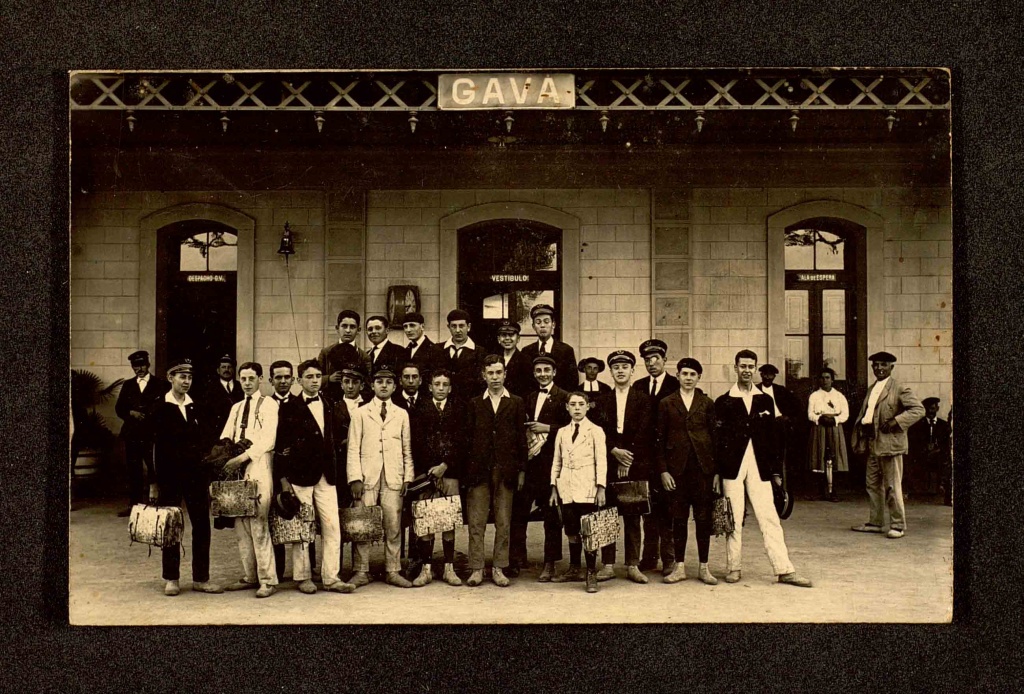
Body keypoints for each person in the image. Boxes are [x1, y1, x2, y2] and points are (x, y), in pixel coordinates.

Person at [715, 349, 813, 588]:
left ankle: (784, 569)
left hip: (760, 467)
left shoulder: (766, 400)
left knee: (769, 516)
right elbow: (717, 440)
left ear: (755, 369)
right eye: (743, 366)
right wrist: (717, 472)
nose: (747, 371)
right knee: (733, 518)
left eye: (751, 367)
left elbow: (772, 439)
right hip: (732, 468)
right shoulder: (724, 400)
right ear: (735, 368)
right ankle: (733, 566)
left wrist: (776, 472)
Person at [275, 360, 354, 594]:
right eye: (309, 376)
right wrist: (284, 480)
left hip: (327, 477)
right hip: (300, 477)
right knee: (303, 528)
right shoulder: (289, 408)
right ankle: (303, 577)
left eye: (318, 376)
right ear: (299, 380)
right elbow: (281, 446)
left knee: (332, 526)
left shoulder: (329, 404)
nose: (314, 380)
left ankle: (331, 577)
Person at [148, 358, 222, 596]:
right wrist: (154, 481)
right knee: (171, 527)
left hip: (197, 477)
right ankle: (171, 578)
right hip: (169, 478)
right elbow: (151, 448)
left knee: (202, 526)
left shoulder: (197, 407)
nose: (186, 381)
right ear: (171, 378)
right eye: (182, 377)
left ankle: (201, 578)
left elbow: (207, 444)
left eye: (189, 377)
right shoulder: (159, 407)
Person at [347, 365, 415, 588]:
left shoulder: (401, 414)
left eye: (388, 382)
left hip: (393, 476)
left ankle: (393, 570)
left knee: (393, 524)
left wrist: (408, 477)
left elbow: (407, 448)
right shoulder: (360, 413)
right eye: (379, 382)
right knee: (362, 524)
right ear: (372, 385)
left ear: (395, 386)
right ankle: (361, 571)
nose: (384, 385)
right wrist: (355, 478)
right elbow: (353, 448)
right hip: (367, 477)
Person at [464, 355, 528, 587]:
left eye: (498, 372)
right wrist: (469, 472)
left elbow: (522, 440)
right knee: (477, 521)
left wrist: (521, 470)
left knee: (503, 521)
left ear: (505, 374)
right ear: (483, 375)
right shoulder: (474, 403)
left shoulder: (516, 402)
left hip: (506, 471)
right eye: (490, 373)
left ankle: (499, 568)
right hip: (479, 471)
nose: (495, 377)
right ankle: (477, 568)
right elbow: (468, 439)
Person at [655, 358, 719, 585]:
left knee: (703, 519)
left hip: (702, 471)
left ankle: (704, 567)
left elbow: (715, 438)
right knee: (679, 519)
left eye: (693, 374)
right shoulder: (666, 403)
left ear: (699, 377)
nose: (689, 378)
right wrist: (664, 471)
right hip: (676, 472)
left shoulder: (707, 403)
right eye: (685, 374)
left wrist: (716, 473)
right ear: (678, 376)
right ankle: (679, 567)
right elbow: (659, 441)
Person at [591, 350, 653, 584]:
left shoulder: (643, 399)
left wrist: (627, 459)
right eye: (616, 367)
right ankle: (607, 565)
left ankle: (633, 565)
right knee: (606, 513)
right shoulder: (603, 399)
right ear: (611, 371)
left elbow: (644, 432)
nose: (620, 370)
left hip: (634, 462)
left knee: (633, 514)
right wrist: (613, 451)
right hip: (609, 461)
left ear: (632, 370)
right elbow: (598, 431)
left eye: (624, 367)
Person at [219, 362, 279, 598]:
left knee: (258, 522)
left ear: (260, 379)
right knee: (240, 524)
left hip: (258, 465)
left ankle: (267, 579)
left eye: (251, 378)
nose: (246, 383)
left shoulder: (269, 405)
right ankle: (250, 576)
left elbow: (268, 440)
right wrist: (225, 452)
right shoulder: (236, 407)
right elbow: (226, 434)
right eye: (243, 379)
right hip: (236, 468)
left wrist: (242, 457)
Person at [850, 352, 925, 539]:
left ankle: (898, 525)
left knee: (892, 486)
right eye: (875, 365)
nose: (879, 368)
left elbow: (918, 410)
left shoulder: (899, 387)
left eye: (883, 365)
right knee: (872, 485)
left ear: (892, 367)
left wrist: (895, 422)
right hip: (872, 443)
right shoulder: (872, 388)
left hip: (891, 445)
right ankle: (875, 523)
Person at [510, 355, 569, 580]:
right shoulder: (529, 397)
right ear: (534, 374)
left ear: (554, 372)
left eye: (546, 370)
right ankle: (516, 559)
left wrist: (547, 428)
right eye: (538, 371)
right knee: (519, 513)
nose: (542, 374)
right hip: (529, 465)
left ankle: (550, 563)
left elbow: (570, 428)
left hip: (552, 467)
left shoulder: (564, 396)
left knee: (552, 517)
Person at [408, 368, 467, 587]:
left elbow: (462, 441)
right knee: (426, 522)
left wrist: (445, 465)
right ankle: (426, 569)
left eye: (445, 385)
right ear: (430, 386)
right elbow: (415, 442)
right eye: (437, 384)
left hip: (450, 473)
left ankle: (449, 568)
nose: (441, 388)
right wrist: (429, 469)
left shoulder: (459, 409)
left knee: (448, 520)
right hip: (426, 474)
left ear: (450, 388)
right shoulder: (419, 409)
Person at [549, 392, 608, 593]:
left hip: (587, 485)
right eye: (572, 404)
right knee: (571, 529)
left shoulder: (596, 431)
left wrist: (601, 487)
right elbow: (557, 461)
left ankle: (591, 572)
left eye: (581, 404)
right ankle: (575, 568)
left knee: (588, 530)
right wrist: (554, 487)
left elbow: (602, 461)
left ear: (588, 407)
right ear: (567, 407)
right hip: (567, 486)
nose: (576, 408)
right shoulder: (563, 432)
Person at [632, 338, 679, 572]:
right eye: (647, 360)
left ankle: (669, 558)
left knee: (667, 509)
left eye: (655, 359)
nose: (651, 363)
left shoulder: (676, 385)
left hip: (668, 459)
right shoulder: (638, 386)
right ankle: (649, 557)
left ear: (664, 360)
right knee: (646, 508)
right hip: (644, 458)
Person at [268, 359, 316, 582]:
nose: (283, 381)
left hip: (296, 471)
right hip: (269, 468)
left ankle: (307, 570)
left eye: (287, 377)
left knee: (301, 514)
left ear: (293, 379)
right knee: (273, 517)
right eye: (278, 377)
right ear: (271, 381)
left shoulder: (301, 404)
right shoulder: (265, 404)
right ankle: (276, 572)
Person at [114, 350, 167, 516]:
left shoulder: (161, 384)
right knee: (133, 470)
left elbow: (166, 407)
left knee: (155, 468)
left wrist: (151, 415)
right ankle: (134, 504)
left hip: (153, 435)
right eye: (135, 366)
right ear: (132, 367)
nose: (139, 369)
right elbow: (119, 408)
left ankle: (160, 502)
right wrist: (131, 413)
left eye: (142, 365)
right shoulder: (128, 385)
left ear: (148, 365)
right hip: (133, 434)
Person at [807, 367, 849, 502]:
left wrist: (834, 419)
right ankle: (820, 491)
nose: (825, 380)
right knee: (819, 458)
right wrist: (819, 418)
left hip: (835, 428)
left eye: (827, 378)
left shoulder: (839, 396)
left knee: (835, 457)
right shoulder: (814, 396)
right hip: (820, 427)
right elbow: (810, 414)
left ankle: (834, 492)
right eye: (822, 378)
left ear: (832, 380)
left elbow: (845, 414)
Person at [519, 304, 578, 394]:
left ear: (553, 324)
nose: (542, 326)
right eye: (538, 322)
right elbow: (524, 382)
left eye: (546, 322)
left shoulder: (566, 350)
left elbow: (572, 382)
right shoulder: (526, 351)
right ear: (533, 326)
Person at [430, 308, 485, 399]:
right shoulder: (437, 349)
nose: (458, 330)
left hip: (468, 404)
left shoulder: (480, 352)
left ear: (469, 327)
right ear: (448, 327)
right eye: (454, 326)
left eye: (461, 326)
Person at [908, 397, 952, 505]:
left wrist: (937, 450)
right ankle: (916, 491)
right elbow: (913, 444)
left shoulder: (944, 425)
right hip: (922, 456)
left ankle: (943, 487)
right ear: (924, 409)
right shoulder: (917, 426)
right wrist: (925, 449)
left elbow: (946, 444)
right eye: (928, 409)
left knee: (947, 462)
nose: (931, 412)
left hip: (939, 456)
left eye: (933, 409)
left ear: (937, 409)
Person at [318, 309, 364, 402]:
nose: (348, 330)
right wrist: (329, 379)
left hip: (354, 403)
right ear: (337, 328)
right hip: (329, 401)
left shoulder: (363, 356)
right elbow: (316, 378)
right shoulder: (326, 352)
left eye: (352, 327)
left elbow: (368, 383)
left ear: (358, 330)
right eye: (344, 326)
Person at [206, 354, 243, 443]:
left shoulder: (241, 387)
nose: (226, 370)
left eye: (229, 367)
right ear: (218, 370)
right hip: (218, 432)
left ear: (233, 370)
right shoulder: (210, 388)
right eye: (223, 367)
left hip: (238, 430)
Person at [496, 319, 534, 397]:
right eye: (503, 335)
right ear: (498, 339)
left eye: (511, 335)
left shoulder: (526, 361)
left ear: (518, 338)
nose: (507, 338)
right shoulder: (494, 358)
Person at [363, 315, 407, 380]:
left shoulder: (398, 351)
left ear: (387, 330)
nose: (373, 332)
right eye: (370, 329)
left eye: (378, 328)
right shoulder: (366, 354)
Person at [402, 311, 434, 384]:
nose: (408, 330)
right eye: (405, 326)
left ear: (422, 326)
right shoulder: (405, 350)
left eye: (412, 325)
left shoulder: (434, 350)